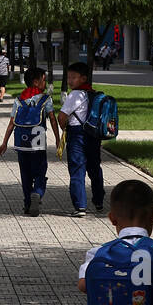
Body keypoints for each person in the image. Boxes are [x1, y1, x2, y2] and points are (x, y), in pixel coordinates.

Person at [0, 67, 60, 216]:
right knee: (40, 170)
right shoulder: (46, 99)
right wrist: (58, 139)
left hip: (21, 143)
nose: (45, 83)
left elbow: (11, 123)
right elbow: (52, 119)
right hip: (38, 143)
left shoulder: (19, 100)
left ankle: (27, 204)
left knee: (25, 174)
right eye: (44, 80)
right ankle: (37, 192)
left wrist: (4, 142)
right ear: (36, 82)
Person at [58, 61, 104, 217]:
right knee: (94, 168)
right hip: (93, 135)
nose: (70, 81)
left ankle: (80, 206)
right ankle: (99, 200)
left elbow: (62, 116)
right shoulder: (93, 94)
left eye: (73, 77)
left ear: (83, 78)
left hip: (77, 134)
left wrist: (64, 127)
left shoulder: (75, 95)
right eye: (69, 77)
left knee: (77, 168)